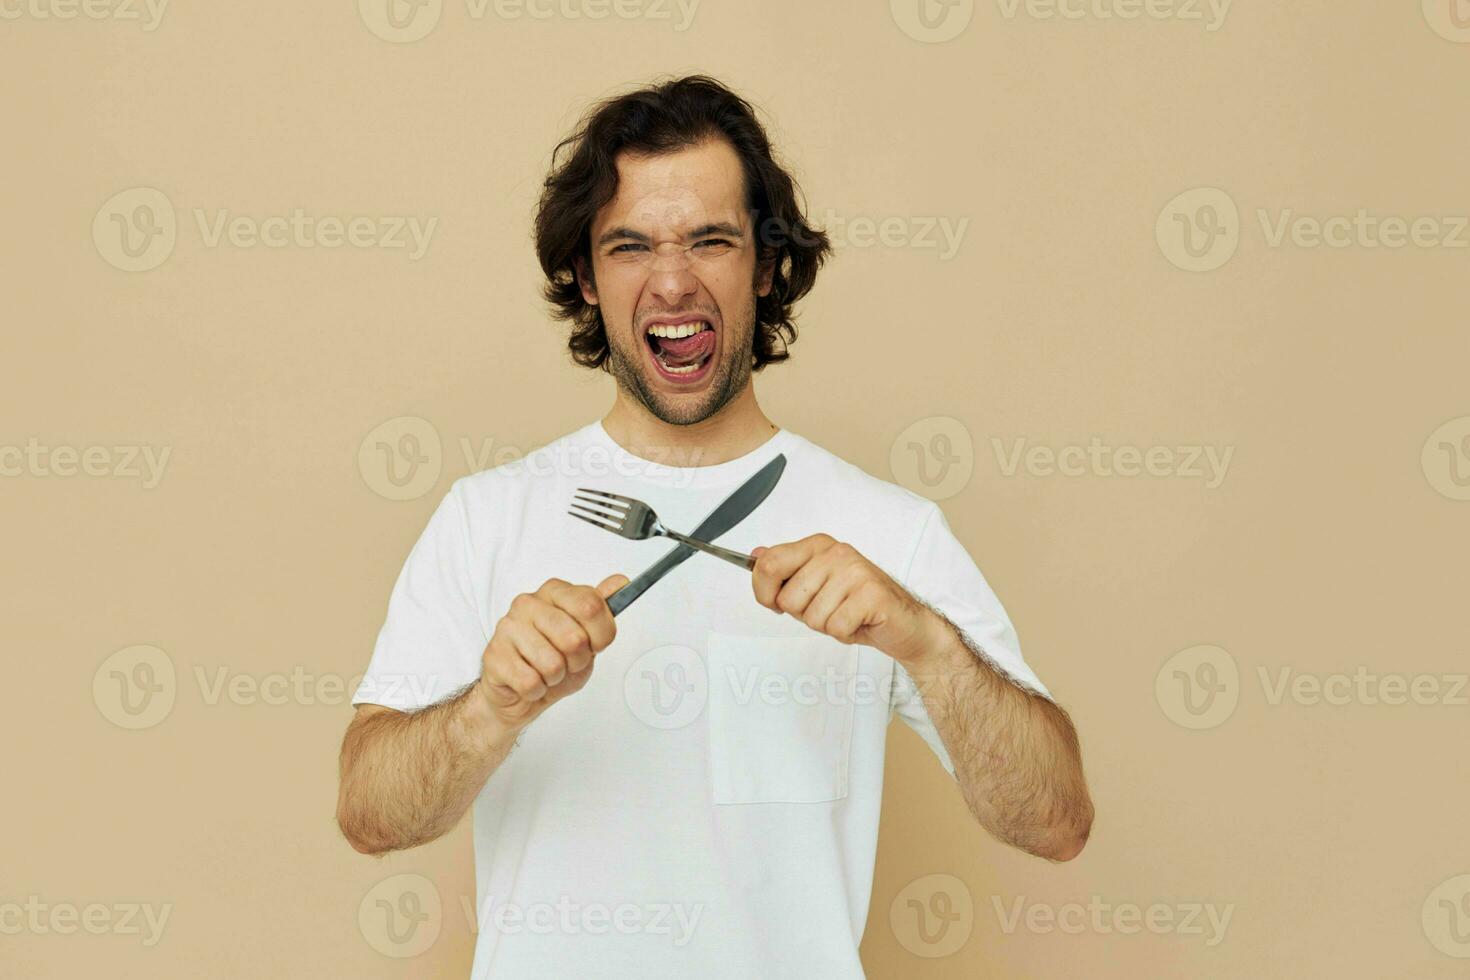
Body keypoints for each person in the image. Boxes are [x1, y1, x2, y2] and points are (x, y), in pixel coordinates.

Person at [336, 73, 1093, 979]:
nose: (672, 281)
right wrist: (487, 713)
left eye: (711, 240)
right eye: (629, 247)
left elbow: (1056, 822)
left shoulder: (891, 531)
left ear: (767, 265)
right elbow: (369, 816)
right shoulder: (486, 517)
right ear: (583, 275)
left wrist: (927, 643)